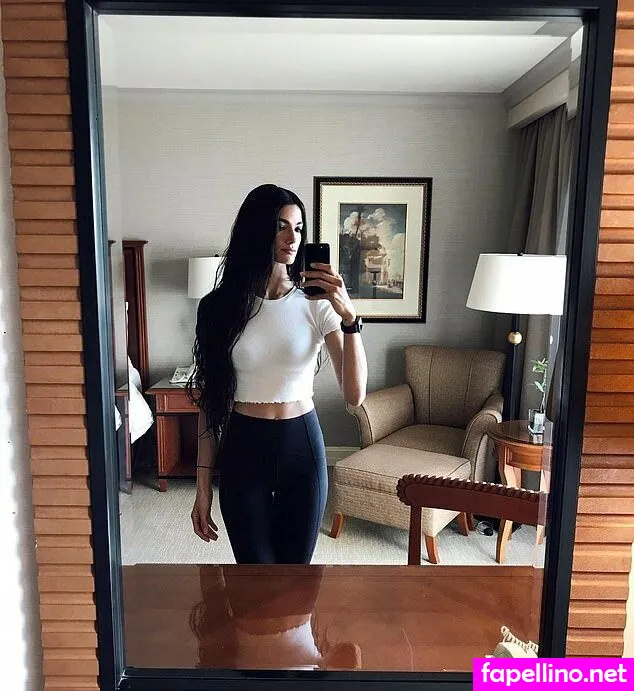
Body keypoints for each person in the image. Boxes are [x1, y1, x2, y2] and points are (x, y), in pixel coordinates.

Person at [188, 183, 367, 564]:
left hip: (301, 447)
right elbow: (210, 404)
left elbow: (355, 396)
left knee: (295, 579)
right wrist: (202, 488)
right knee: (254, 577)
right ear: (257, 230)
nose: (292, 238)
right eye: (281, 226)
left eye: (298, 228)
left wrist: (350, 319)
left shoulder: (316, 304)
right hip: (243, 448)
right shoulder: (219, 307)